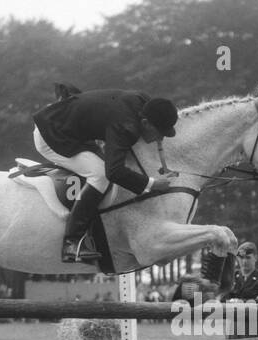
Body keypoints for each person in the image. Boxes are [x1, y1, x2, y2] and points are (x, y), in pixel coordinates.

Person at [31, 88, 181, 262]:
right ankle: (72, 243)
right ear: (146, 123)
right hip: (51, 136)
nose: (159, 138)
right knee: (100, 174)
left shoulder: (143, 102)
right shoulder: (125, 126)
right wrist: (151, 184)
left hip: (67, 127)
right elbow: (114, 172)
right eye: (159, 133)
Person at [221, 241, 258, 340]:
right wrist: (242, 301)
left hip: (253, 328)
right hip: (233, 329)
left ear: (256, 258)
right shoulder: (232, 278)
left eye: (248, 257)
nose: (244, 261)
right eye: (240, 257)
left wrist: (239, 301)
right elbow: (222, 299)